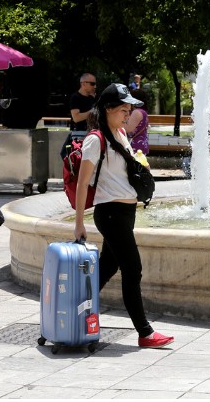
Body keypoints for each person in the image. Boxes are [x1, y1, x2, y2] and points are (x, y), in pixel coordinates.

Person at [74, 83, 174, 349]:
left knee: (108, 267)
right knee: (133, 269)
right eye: (122, 110)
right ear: (108, 109)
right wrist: (79, 223)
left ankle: (74, 311)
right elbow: (83, 183)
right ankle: (145, 332)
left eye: (129, 110)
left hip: (125, 212)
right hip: (110, 213)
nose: (127, 115)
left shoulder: (119, 133)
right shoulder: (96, 139)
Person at [62, 73, 97, 159]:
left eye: (95, 84)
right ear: (83, 83)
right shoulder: (75, 97)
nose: (95, 86)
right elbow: (76, 118)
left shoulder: (91, 99)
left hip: (91, 133)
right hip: (79, 135)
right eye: (92, 84)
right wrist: (93, 112)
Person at [125, 88, 150, 155]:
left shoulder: (137, 112)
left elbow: (128, 128)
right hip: (141, 144)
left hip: (136, 146)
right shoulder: (143, 112)